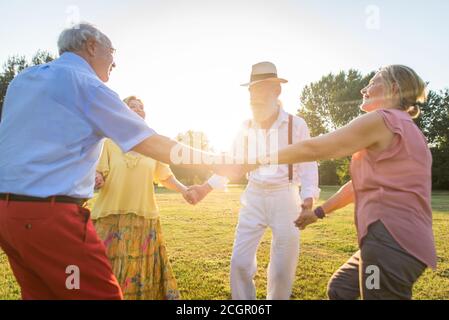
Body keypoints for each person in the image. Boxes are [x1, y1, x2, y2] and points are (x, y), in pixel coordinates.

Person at [0, 23, 238, 300]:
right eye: (112, 52)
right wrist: (212, 160)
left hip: (8, 216)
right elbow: (150, 141)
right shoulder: (87, 84)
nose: (115, 62)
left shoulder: (23, 79)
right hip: (51, 218)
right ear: (91, 46)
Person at [271, 65, 436, 300]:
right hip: (401, 242)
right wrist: (318, 212)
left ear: (393, 88)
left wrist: (262, 157)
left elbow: (317, 147)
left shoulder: (383, 120)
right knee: (341, 289)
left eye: (372, 82)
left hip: (389, 242)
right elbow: (355, 188)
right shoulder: (410, 130)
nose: (363, 89)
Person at [187, 62, 320, 300]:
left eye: (260, 89)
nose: (254, 95)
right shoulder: (245, 126)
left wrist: (308, 198)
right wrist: (205, 188)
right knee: (239, 262)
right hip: (254, 195)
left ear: (276, 91)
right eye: (251, 90)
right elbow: (233, 165)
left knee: (281, 270)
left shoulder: (295, 124)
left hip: (285, 196)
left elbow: (309, 163)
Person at [92, 96, 193, 300]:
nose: (138, 110)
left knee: (139, 274)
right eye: (132, 106)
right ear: (123, 111)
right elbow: (99, 171)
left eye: (141, 107)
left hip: (144, 219)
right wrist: (97, 177)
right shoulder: (109, 141)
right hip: (110, 218)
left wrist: (185, 190)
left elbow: (164, 176)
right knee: (103, 272)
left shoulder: (152, 144)